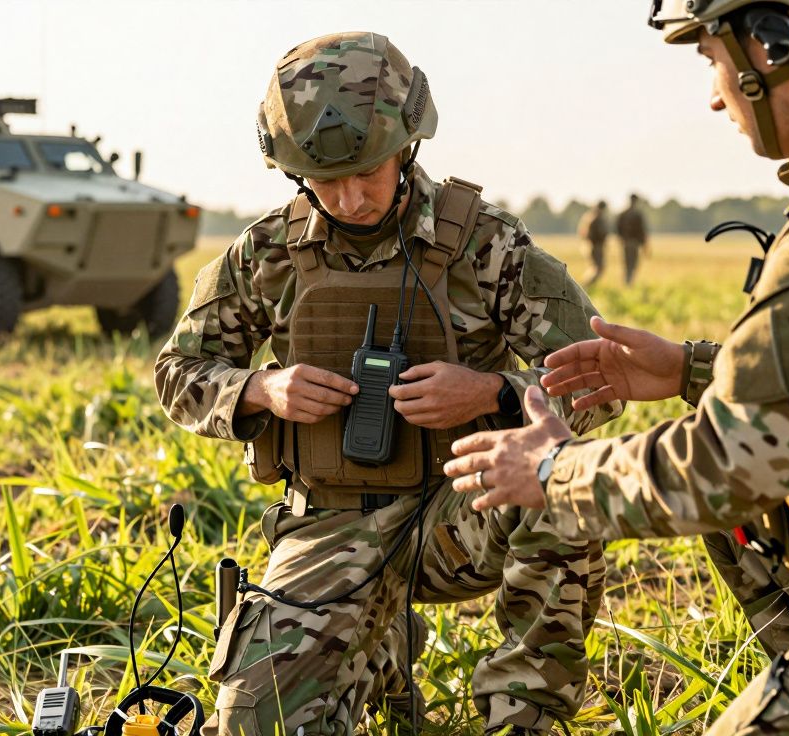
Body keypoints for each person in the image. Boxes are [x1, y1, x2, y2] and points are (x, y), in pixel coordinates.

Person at [444, 1, 789, 732]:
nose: (714, 95)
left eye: (712, 59)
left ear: (771, 45)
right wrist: (691, 371)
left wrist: (553, 471)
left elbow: (728, 467)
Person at [155, 32, 620, 736]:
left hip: (466, 509)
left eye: (367, 171)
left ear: (407, 145)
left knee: (565, 485)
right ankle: (377, 647)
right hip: (330, 525)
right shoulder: (266, 254)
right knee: (256, 723)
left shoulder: (487, 244)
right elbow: (177, 372)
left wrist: (493, 394)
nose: (349, 198)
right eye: (323, 180)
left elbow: (598, 379)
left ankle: (522, 716)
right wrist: (260, 392)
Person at [614, 194, 648, 285]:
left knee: (627, 264)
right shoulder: (637, 214)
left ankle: (626, 283)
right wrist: (644, 245)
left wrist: (621, 239)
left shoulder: (623, 214)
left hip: (625, 243)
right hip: (634, 243)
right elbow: (642, 231)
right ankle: (629, 283)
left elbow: (617, 228)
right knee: (633, 264)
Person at [577, 200, 609, 287]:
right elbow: (599, 234)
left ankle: (587, 286)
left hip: (591, 245)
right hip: (595, 246)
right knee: (597, 268)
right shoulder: (597, 218)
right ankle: (585, 286)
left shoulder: (589, 217)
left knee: (596, 268)